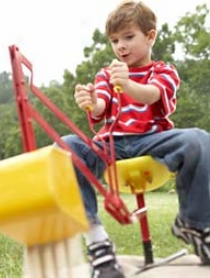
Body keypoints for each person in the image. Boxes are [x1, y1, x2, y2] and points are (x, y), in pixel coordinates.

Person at [59, 1, 210, 277]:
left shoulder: (164, 71)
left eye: (129, 37)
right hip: (111, 144)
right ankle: (97, 242)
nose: (121, 46)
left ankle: (194, 223)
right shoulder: (106, 74)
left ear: (150, 36)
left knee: (199, 139)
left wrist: (128, 85)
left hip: (151, 141)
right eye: (115, 40)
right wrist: (91, 101)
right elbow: (102, 106)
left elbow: (152, 94)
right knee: (66, 145)